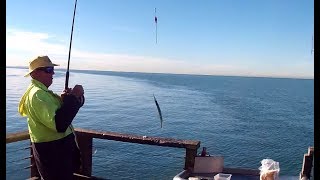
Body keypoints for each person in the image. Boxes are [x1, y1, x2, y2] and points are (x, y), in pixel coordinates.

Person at [18, 55, 85, 180]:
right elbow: (59, 124)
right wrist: (74, 96)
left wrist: (71, 99)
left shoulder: (42, 93)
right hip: (54, 156)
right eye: (48, 70)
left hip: (56, 155)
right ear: (35, 73)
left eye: (52, 69)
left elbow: (64, 115)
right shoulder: (38, 94)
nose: (53, 73)